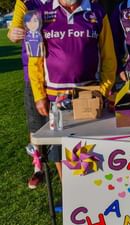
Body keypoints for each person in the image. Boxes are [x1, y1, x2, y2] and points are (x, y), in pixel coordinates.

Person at [28, 0, 117, 181]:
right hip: (55, 97)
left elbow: (109, 54)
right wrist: (38, 95)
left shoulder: (97, 12)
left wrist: (105, 88)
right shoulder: (38, 15)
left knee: (91, 150)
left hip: (89, 94)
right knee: (59, 151)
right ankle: (69, 194)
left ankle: (93, 192)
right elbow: (34, 59)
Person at [7, 0, 51, 189]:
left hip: (56, 68)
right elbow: (13, 32)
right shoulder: (24, 3)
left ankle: (69, 161)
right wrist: (13, 33)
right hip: (32, 71)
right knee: (35, 122)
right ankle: (37, 166)